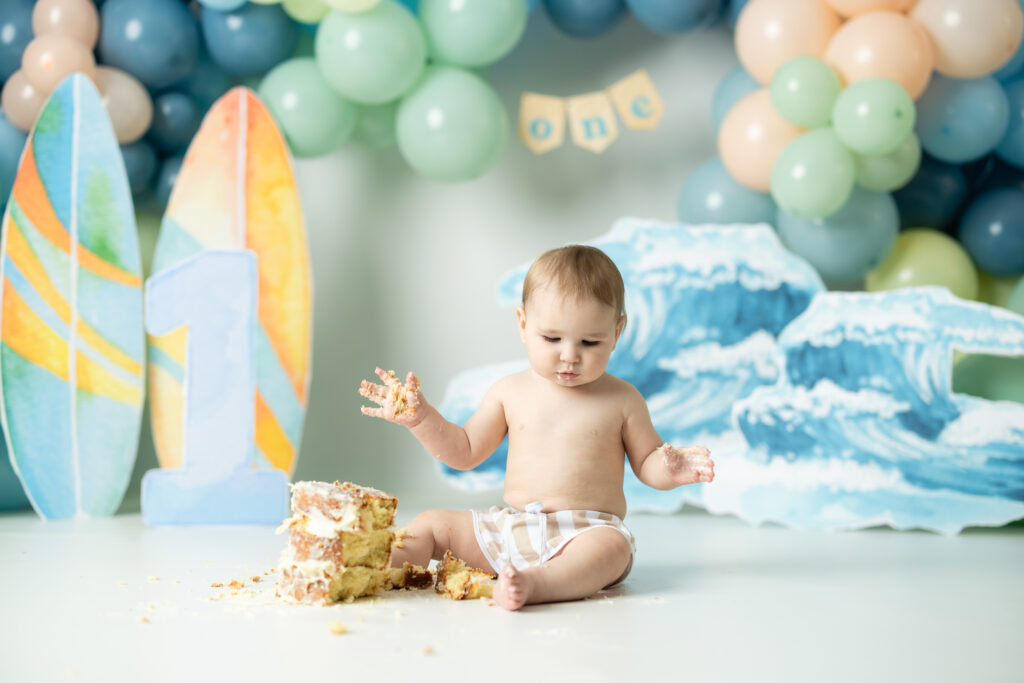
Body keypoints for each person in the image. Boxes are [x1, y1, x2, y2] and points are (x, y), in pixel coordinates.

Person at [358, 245, 714, 610]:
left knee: (613, 549)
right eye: (552, 338)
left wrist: (668, 467)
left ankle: (535, 584)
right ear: (524, 324)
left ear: (617, 330)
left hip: (585, 533)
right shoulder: (509, 392)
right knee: (432, 524)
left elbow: (646, 463)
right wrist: (421, 418)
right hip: (511, 529)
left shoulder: (623, 399)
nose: (570, 355)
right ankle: (369, 567)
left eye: (590, 342)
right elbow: (463, 451)